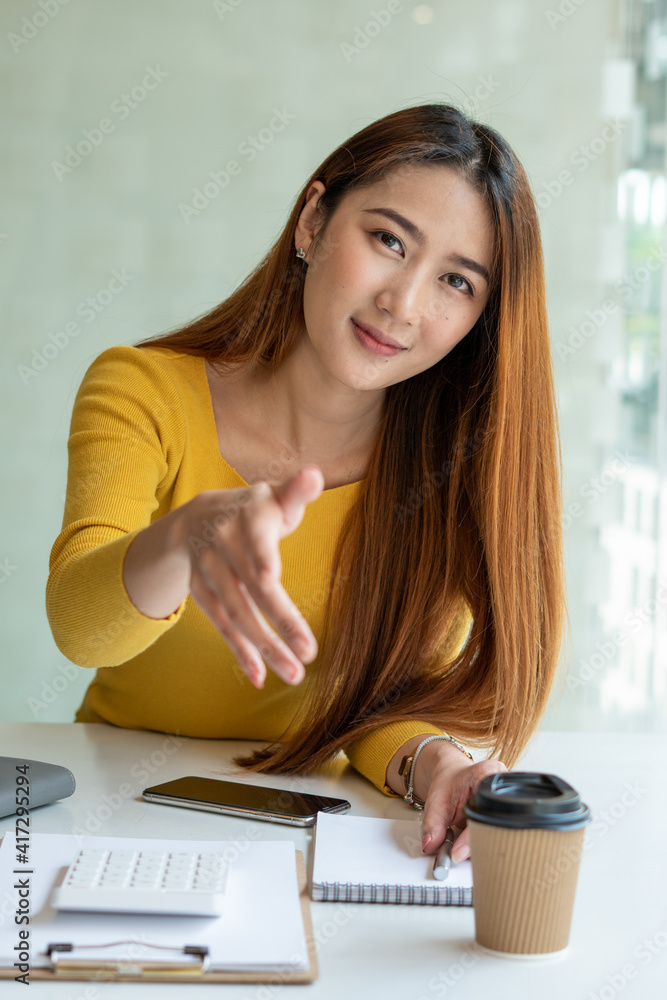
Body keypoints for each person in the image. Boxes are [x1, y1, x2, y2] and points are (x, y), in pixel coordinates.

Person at [46, 103, 565, 865]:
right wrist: (184, 538)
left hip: (314, 835)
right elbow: (80, 629)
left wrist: (438, 766)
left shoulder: (453, 471)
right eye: (388, 240)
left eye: (456, 281)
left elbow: (381, 707)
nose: (404, 303)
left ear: (481, 320)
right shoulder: (142, 389)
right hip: (113, 819)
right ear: (313, 223)